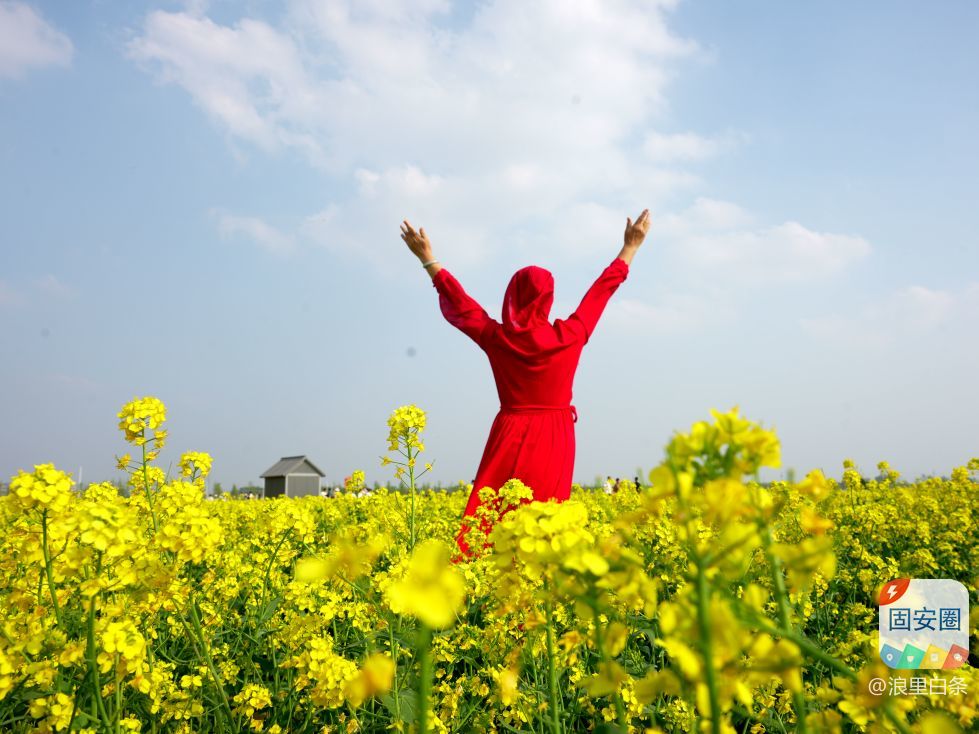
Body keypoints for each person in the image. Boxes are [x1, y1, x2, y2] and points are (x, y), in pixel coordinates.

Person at [401, 209, 651, 557]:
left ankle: (477, 594)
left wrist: (428, 259)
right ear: (548, 299)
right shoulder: (571, 335)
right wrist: (630, 248)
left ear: (511, 297)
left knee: (492, 520)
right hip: (556, 435)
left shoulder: (497, 338)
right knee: (547, 524)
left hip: (510, 430)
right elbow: (600, 293)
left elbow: (464, 307)